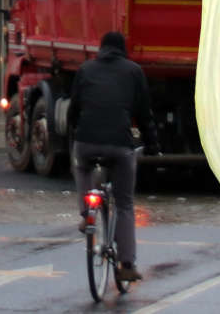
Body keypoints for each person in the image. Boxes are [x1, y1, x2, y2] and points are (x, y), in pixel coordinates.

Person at [66, 30, 159, 284]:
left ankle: (87, 214)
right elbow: (144, 113)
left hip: (86, 142)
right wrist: (152, 145)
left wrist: (75, 138)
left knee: (83, 168)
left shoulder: (85, 70)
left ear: (101, 48)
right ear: (123, 49)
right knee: (125, 203)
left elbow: (73, 110)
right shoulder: (133, 71)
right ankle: (127, 264)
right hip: (120, 145)